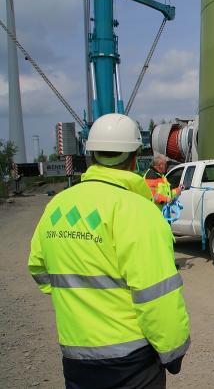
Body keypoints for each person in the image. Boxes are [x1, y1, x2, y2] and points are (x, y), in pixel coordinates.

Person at [28, 113, 190, 388]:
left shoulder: (57, 206)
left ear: (90, 155)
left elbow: (39, 268)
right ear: (134, 156)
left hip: (76, 357)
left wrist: (81, 301)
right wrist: (173, 351)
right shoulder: (138, 212)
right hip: (132, 362)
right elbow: (157, 296)